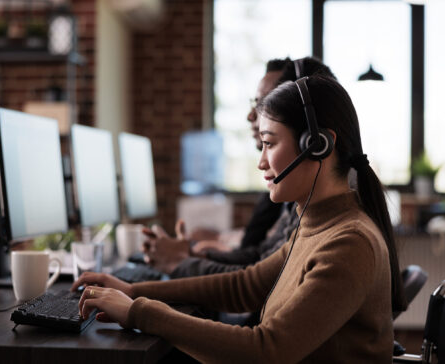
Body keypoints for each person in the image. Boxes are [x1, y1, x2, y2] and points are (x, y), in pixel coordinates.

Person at [73, 75, 406, 362]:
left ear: (317, 145)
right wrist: (132, 290)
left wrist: (139, 311)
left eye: (269, 144)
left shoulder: (349, 243)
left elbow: (267, 351)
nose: (261, 162)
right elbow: (244, 286)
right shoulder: (315, 225)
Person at [144, 57, 335, 279]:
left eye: (265, 103)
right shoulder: (302, 197)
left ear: (311, 140)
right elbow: (260, 261)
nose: (252, 115)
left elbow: (254, 283)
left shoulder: (330, 218)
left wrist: (181, 262)